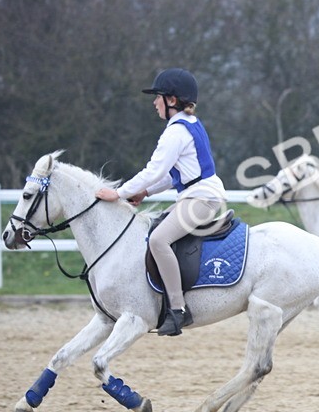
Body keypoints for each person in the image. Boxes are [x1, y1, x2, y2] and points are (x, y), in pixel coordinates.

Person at [95, 68, 225, 336]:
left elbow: (153, 170)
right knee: (155, 231)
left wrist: (118, 193)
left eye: (158, 97)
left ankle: (178, 310)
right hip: (198, 194)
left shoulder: (175, 132)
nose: (154, 102)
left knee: (158, 240)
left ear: (172, 100)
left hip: (201, 198)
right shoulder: (190, 124)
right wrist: (146, 192)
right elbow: (173, 174)